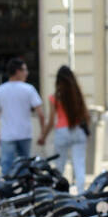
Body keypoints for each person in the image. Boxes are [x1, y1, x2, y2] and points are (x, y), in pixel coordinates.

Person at [38, 65, 90, 193]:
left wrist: (43, 136)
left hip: (62, 132)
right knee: (79, 164)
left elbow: (51, 121)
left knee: (60, 165)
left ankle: (59, 193)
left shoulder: (55, 97)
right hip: (78, 129)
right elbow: (86, 114)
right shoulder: (77, 93)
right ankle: (81, 192)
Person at [0, 58, 44, 177]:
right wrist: (42, 134)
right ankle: (24, 192)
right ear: (18, 71)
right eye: (24, 70)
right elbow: (40, 113)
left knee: (7, 168)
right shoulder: (29, 89)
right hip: (24, 134)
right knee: (24, 168)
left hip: (7, 136)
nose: (27, 73)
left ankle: (8, 193)